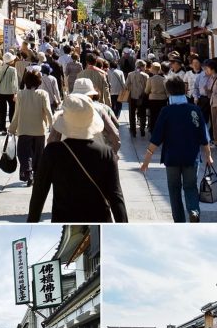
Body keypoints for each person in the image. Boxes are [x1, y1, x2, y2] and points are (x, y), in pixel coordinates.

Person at [28, 94, 128, 222]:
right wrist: (123, 227)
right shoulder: (106, 153)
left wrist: (31, 223)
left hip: (64, 221)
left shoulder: (52, 152)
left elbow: (39, 193)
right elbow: (116, 197)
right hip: (99, 222)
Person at [140, 77, 213, 223]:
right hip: (191, 157)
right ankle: (193, 211)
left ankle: (179, 220)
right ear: (185, 90)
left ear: (168, 92)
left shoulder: (166, 111)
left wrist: (146, 160)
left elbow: (157, 138)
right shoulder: (195, 110)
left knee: (174, 189)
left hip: (171, 157)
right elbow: (204, 137)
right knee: (190, 187)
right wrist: (208, 156)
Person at [52, 78, 120, 155]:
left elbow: (53, 138)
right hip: (96, 155)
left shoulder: (65, 108)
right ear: (91, 94)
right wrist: (112, 155)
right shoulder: (99, 109)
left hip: (68, 155)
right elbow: (114, 135)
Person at [9, 70, 53, 186]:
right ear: (39, 82)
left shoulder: (20, 94)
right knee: (38, 154)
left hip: (24, 129)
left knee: (24, 153)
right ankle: (36, 174)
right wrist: (53, 126)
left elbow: (17, 113)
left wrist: (12, 128)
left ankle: (28, 173)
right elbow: (48, 111)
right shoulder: (43, 94)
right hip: (39, 130)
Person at [0, 53, 20, 134]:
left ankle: (2, 128)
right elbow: (14, 83)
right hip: (10, 92)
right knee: (12, 110)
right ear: (11, 61)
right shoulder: (13, 69)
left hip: (0, 93)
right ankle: (12, 128)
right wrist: (16, 92)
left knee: (2, 111)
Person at [125, 60, 149, 137]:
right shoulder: (145, 75)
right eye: (144, 66)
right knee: (142, 114)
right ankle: (142, 130)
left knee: (132, 114)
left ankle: (133, 130)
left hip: (132, 97)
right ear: (142, 66)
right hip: (142, 97)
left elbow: (126, 85)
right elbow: (147, 88)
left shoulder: (130, 74)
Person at [145, 62, 168, 133]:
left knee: (153, 115)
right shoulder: (164, 79)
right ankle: (161, 130)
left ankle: (153, 130)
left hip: (153, 99)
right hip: (162, 99)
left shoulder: (150, 79)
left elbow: (146, 91)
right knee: (161, 115)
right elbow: (166, 91)